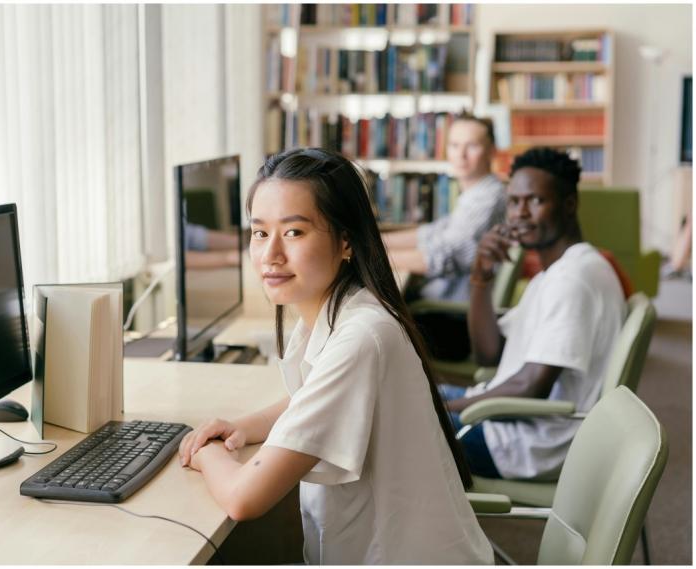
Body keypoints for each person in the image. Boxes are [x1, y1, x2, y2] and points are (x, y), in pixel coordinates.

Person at [178, 148, 492, 564]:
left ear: (346, 241)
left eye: (294, 232)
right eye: (259, 233)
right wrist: (241, 427)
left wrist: (204, 451)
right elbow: (314, 398)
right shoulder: (338, 312)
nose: (271, 254)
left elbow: (243, 499)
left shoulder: (362, 336)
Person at [441, 147, 627, 480]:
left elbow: (531, 386)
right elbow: (488, 354)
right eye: (513, 202)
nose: (519, 214)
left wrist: (442, 412)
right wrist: (481, 278)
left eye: (535, 201)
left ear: (569, 205)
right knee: (402, 396)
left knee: (394, 421)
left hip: (529, 443)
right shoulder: (553, 273)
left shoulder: (573, 278)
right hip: (512, 422)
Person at [382, 112, 506, 302]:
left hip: (454, 309)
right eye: (454, 145)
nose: (461, 155)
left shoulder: (488, 198)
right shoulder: (475, 193)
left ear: (491, 151)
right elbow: (433, 233)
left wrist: (369, 258)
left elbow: (443, 256)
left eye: (472, 146)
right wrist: (375, 241)